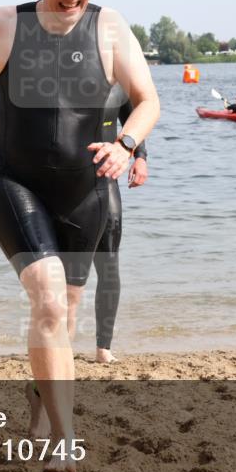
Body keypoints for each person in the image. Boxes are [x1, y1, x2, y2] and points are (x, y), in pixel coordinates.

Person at [0, 0, 160, 472]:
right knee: (50, 301)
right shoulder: (3, 25)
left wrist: (127, 145)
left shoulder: (110, 26)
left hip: (86, 189)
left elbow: (149, 100)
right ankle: (65, 438)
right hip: (13, 181)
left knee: (66, 311)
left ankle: (40, 405)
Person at [94, 92, 149, 364]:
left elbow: (134, 119)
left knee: (109, 262)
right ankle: (56, 343)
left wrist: (140, 156)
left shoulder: (116, 81)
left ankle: (103, 348)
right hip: (61, 180)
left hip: (105, 178)